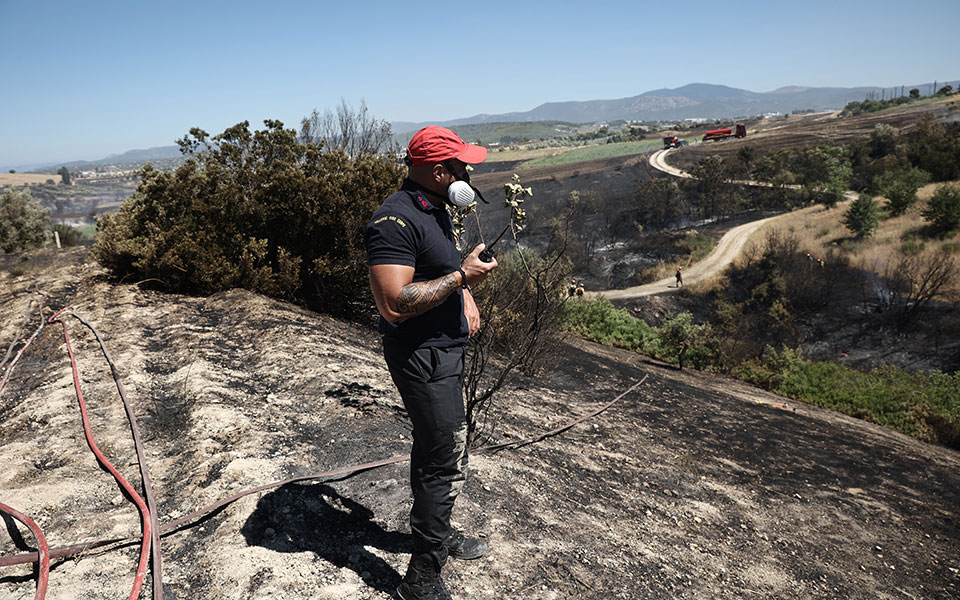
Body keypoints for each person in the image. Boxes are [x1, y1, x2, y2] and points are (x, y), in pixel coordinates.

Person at [365, 126, 498, 600]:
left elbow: (432, 270)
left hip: (443, 349)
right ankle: (420, 580)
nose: (469, 172)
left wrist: (461, 293)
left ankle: (436, 537)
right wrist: (463, 276)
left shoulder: (433, 208)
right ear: (440, 172)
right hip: (422, 355)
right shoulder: (393, 222)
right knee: (444, 455)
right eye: (462, 165)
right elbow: (395, 302)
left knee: (435, 447)